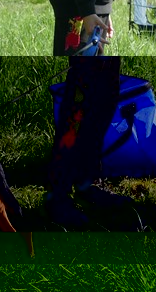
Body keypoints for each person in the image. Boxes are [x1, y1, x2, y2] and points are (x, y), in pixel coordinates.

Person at [46, 56, 131, 227]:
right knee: (75, 118)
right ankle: (57, 197)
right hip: (85, 49)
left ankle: (86, 185)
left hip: (104, 53)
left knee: (103, 104)